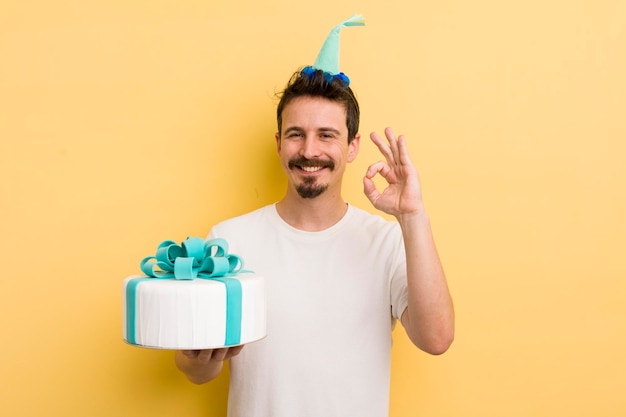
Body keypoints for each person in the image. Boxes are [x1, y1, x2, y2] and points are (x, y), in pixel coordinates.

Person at [175, 15, 454, 417]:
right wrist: (197, 358)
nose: (310, 150)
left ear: (353, 145)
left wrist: (413, 217)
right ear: (279, 143)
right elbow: (198, 372)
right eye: (296, 134)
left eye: (327, 135)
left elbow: (437, 339)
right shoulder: (229, 241)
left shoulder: (387, 241)